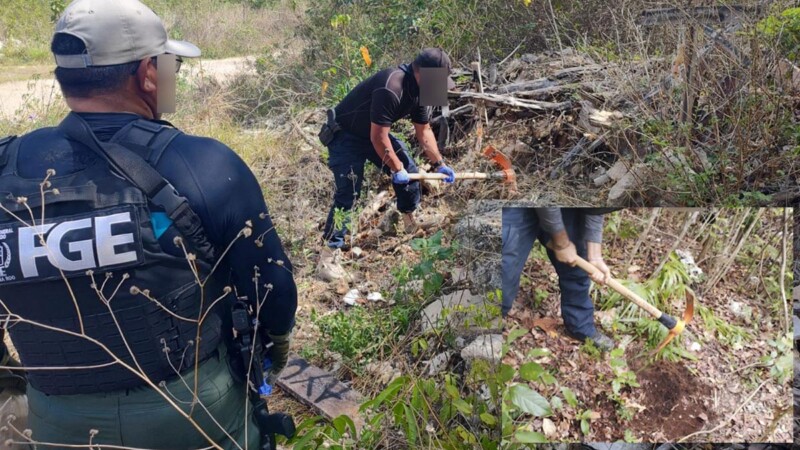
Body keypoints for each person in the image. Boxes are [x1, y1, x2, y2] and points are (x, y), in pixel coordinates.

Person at [0, 0, 297, 448]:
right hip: (192, 410)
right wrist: (276, 349)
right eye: (171, 62)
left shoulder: (7, 168)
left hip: (58, 421)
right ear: (148, 74)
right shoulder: (204, 163)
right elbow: (274, 290)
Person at [319, 48, 458, 252]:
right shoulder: (392, 86)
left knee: (410, 172)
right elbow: (379, 138)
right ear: (422, 73)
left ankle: (409, 219)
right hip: (345, 136)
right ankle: (331, 250)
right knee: (349, 192)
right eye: (437, 80)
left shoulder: (422, 88)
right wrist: (396, 168)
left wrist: (439, 164)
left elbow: (424, 130)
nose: (438, 86)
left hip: (371, 133)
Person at [502, 208, 615, 351]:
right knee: (502, 274)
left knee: (577, 267)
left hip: (565, 207)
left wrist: (595, 256)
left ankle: (580, 326)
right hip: (518, 204)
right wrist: (562, 244)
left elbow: (595, 208)